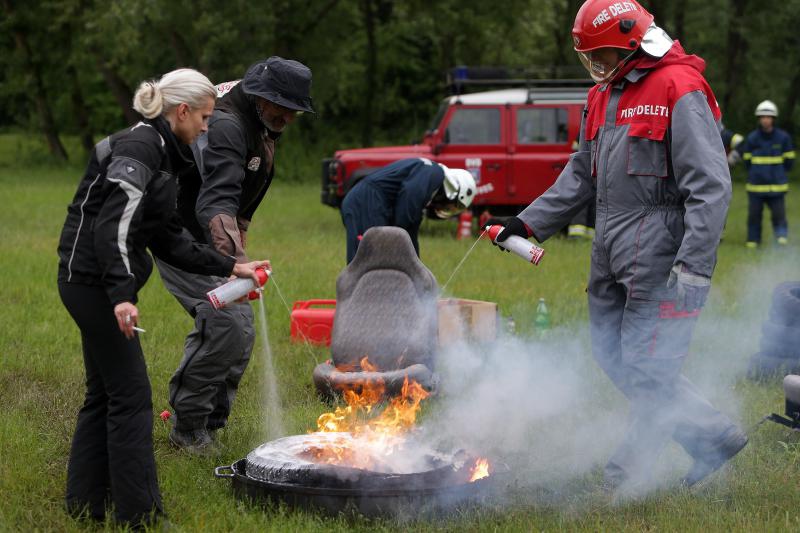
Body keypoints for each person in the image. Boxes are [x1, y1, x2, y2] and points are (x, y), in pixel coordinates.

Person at [488, 0, 747, 493]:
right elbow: (581, 174)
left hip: (661, 253)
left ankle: (624, 477)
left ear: (630, 42)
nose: (597, 67)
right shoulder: (602, 96)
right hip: (608, 248)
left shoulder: (680, 87)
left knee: (649, 365)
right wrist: (527, 222)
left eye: (603, 55)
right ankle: (712, 435)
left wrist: (694, 268)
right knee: (611, 354)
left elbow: (711, 187)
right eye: (591, 58)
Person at [57, 69, 270, 528]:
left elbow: (168, 237)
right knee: (132, 397)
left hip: (94, 282)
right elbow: (110, 226)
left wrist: (232, 267)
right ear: (182, 111)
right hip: (92, 284)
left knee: (104, 393)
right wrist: (120, 295)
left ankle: (85, 504)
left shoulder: (166, 154)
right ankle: (140, 516)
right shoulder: (141, 148)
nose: (208, 129)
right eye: (206, 118)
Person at [156, 57, 313, 453]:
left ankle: (208, 423)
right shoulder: (228, 125)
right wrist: (232, 264)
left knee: (240, 330)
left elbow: (241, 200)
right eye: (284, 108)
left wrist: (237, 254)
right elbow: (217, 202)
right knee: (226, 323)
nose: (289, 118)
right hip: (180, 236)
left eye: (295, 110)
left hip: (213, 238)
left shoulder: (259, 117)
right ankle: (188, 427)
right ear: (262, 96)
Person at [340, 157, 476, 262]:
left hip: (366, 201)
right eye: (450, 205)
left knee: (372, 260)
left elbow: (411, 228)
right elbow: (408, 203)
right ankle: (361, 297)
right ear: (454, 190)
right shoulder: (434, 173)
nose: (443, 207)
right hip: (367, 202)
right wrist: (399, 236)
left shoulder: (427, 178)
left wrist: (415, 264)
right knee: (370, 262)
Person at [736, 100, 795, 247]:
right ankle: (753, 241)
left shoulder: (783, 138)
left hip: (777, 187)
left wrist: (779, 173)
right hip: (756, 187)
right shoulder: (752, 138)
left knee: (779, 216)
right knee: (754, 216)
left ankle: (781, 238)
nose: (765, 120)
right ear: (759, 119)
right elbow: (747, 161)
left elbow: (789, 161)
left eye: (768, 117)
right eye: (762, 117)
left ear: (773, 119)